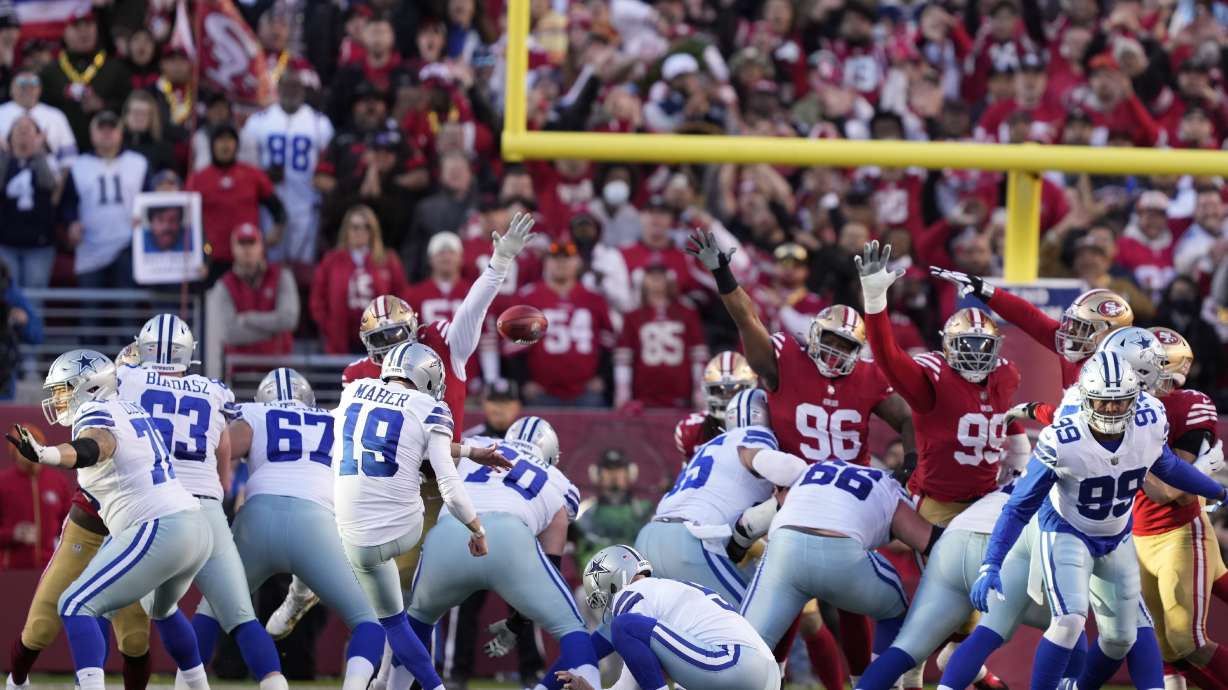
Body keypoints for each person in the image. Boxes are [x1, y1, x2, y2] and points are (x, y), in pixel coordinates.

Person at [268, 213, 535, 641]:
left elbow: (473, 310)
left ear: (414, 332)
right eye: (381, 342)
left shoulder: (444, 346)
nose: (390, 350)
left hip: (433, 483)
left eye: (396, 337)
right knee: (328, 517)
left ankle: (399, 660)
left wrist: (499, 263)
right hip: (382, 477)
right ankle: (303, 590)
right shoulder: (359, 375)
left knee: (412, 590)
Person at [688, 227, 915, 680]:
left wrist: (908, 466)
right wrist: (723, 274)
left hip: (846, 500)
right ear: (812, 335)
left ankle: (868, 675)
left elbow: (909, 418)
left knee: (842, 598)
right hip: (795, 495)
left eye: (845, 345)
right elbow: (748, 319)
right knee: (791, 591)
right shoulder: (784, 361)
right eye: (828, 340)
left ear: (858, 352)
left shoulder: (869, 378)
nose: (833, 352)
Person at [957, 353, 1227, 690]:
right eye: (1103, 401)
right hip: (1067, 530)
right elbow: (1018, 508)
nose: (1112, 410)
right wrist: (991, 563)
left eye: (1120, 401)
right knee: (1069, 621)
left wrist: (1217, 490)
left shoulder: (1148, 420)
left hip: (1116, 533)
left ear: (1134, 398)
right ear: (1086, 398)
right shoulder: (1063, 439)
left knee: (1122, 638)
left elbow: (1168, 466)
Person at [5, 349, 212, 690]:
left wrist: (48, 454)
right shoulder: (131, 404)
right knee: (44, 622)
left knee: (123, 630)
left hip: (142, 527)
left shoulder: (98, 410)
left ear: (88, 386)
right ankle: (16, 683)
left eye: (63, 390)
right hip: (155, 521)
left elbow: (95, 446)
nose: (57, 400)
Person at [116, 315, 288, 690]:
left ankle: (194, 683)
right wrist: (221, 486)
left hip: (157, 507)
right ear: (188, 353)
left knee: (158, 607)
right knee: (241, 617)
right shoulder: (213, 390)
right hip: (206, 509)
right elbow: (223, 444)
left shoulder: (129, 378)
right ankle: (274, 683)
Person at [189, 368, 384, 690]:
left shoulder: (256, 413)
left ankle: (187, 684)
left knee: (211, 611)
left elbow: (217, 449)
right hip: (317, 524)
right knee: (366, 620)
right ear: (309, 398)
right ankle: (354, 685)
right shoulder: (336, 420)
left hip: (258, 519)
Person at [405, 416, 599, 689]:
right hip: (510, 536)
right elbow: (550, 566)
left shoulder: (477, 443)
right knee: (572, 629)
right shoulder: (560, 482)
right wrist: (518, 622)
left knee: (414, 624)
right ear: (551, 455)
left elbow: (431, 453)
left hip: (449, 532)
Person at [332, 342, 484, 690]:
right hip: (402, 527)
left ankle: (384, 681)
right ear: (428, 376)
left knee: (394, 622)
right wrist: (477, 529)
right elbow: (448, 484)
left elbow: (386, 437)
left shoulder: (354, 390)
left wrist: (472, 451)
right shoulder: (429, 408)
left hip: (350, 533)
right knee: (401, 612)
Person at [740, 426, 941, 658]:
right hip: (841, 557)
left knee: (745, 644)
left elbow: (766, 503)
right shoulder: (889, 487)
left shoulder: (812, 469)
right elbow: (926, 540)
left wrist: (742, 451)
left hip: (784, 548)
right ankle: (878, 676)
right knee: (896, 611)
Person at [636, 389, 801, 608]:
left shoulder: (712, 445)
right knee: (753, 619)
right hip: (690, 543)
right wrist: (814, 477)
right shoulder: (752, 437)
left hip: (649, 538)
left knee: (655, 622)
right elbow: (789, 470)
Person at [1132, 328, 1228, 687]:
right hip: (1139, 534)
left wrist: (1122, 456)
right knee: (1167, 647)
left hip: (1179, 534)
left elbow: (1174, 493)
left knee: (1188, 640)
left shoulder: (1185, 406)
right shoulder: (1124, 403)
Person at [554, 545, 779, 690]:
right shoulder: (668, 591)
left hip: (731, 662)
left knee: (623, 626)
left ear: (611, 580)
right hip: (765, 673)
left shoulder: (631, 592)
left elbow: (634, 677)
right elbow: (637, 676)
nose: (609, 607)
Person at [932, 268, 1134, 389]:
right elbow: (1029, 317)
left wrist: (1036, 411)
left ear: (1108, 334)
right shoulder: (1076, 348)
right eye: (1073, 323)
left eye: (1081, 327)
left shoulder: (1121, 373)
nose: (1070, 331)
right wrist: (983, 289)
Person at [239, 70, 334, 271]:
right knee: (270, 260)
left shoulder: (319, 122)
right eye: (287, 86)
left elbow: (328, 161)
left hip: (306, 201)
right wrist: (263, 175)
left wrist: (321, 176)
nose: (291, 91)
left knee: (303, 264)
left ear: (303, 90)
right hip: (270, 202)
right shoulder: (259, 121)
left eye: (296, 87)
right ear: (278, 88)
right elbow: (246, 163)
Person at [516, 240, 617, 407]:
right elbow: (514, 348)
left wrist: (601, 376)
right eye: (555, 258)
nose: (561, 263)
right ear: (546, 262)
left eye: (567, 258)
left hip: (586, 392)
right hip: (541, 392)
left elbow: (608, 344)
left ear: (578, 262)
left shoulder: (594, 299)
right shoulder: (529, 298)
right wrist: (524, 382)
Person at [185, 125, 286, 282]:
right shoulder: (198, 179)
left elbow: (277, 209)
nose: (225, 145)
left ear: (237, 145)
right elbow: (187, 220)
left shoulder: (253, 175)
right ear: (212, 144)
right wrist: (200, 254)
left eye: (230, 140)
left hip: (248, 257)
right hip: (212, 257)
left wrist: (277, 230)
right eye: (220, 140)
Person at [62, 110, 148, 288]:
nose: (107, 133)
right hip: (90, 250)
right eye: (101, 129)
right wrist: (71, 224)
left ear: (121, 133)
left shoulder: (139, 163)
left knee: (126, 304)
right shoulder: (78, 165)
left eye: (112, 128)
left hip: (128, 249)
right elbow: (68, 203)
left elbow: (151, 199)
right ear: (92, 134)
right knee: (91, 304)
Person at [309, 205, 411, 355]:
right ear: (347, 230)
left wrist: (392, 330)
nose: (360, 232)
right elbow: (317, 300)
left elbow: (402, 298)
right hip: (340, 340)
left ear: (373, 231)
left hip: (381, 340)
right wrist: (330, 327)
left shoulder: (388, 260)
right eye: (355, 227)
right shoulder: (331, 260)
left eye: (366, 227)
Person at [613, 264, 708, 409]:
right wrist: (623, 392)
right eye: (652, 276)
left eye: (661, 275)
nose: (656, 280)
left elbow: (698, 356)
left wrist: (699, 391)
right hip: (643, 397)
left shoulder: (687, 313)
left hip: (680, 397)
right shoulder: (632, 316)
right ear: (643, 280)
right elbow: (624, 359)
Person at [37, 9, 131, 149]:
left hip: (108, 150)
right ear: (65, 32)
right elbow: (41, 109)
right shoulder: (49, 72)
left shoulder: (116, 68)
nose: (84, 31)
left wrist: (103, 105)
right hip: (61, 147)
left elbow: (129, 104)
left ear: (96, 29)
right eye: (76, 26)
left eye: (88, 25)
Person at [206, 224, 299, 358]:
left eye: (252, 242)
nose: (247, 249)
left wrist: (248, 318)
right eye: (242, 243)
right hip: (240, 367)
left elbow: (289, 320)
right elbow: (229, 333)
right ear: (233, 248)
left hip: (279, 365)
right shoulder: (224, 285)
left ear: (261, 246)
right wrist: (274, 332)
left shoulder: (282, 276)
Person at [0, 425, 71, 569]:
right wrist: (12, 534)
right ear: (14, 451)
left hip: (49, 569)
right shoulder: (3, 482)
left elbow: (69, 527)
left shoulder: (58, 481)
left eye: (34, 443)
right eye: (22, 445)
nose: (29, 450)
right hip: (10, 571)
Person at [0, 116, 59, 288]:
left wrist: (39, 152)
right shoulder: (4, 161)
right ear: (10, 135)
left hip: (39, 244)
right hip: (6, 242)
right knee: (8, 295)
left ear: (39, 136)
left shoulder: (48, 160)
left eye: (28, 129)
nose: (23, 131)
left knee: (35, 296)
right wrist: (5, 154)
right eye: (19, 128)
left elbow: (49, 185)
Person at [574, 449, 655, 572]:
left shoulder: (645, 509)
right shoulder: (585, 512)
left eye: (619, 470)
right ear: (597, 475)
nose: (613, 476)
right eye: (608, 471)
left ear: (630, 474)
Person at [673, 351, 756, 464]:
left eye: (734, 391)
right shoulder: (692, 431)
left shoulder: (766, 423)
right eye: (719, 390)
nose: (727, 398)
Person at [0, 70, 76, 169]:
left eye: (33, 83)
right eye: (22, 83)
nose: (28, 88)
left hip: (49, 175)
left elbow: (69, 159)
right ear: (11, 89)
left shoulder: (56, 116)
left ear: (40, 89)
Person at [403, 231, 473, 326]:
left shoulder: (473, 291)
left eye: (452, 252)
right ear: (430, 259)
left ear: (461, 258)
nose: (446, 257)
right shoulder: (414, 296)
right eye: (440, 253)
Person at [120, 91, 174, 176]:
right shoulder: (115, 146)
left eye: (144, 114)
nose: (139, 118)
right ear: (126, 116)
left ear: (152, 118)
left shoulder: (163, 149)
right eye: (135, 113)